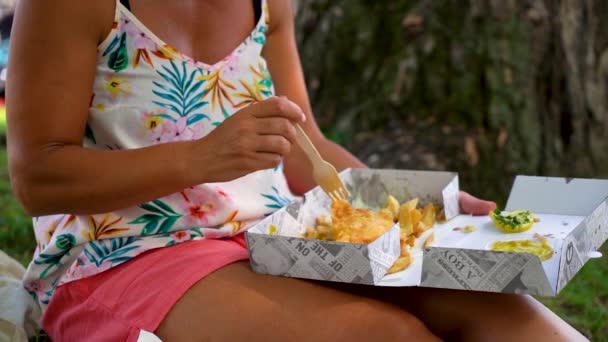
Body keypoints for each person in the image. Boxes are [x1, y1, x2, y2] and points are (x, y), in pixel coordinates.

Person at [5, 0, 587, 341]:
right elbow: (38, 179)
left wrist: (431, 210)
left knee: (507, 313)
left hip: (278, 240)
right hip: (124, 258)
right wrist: (201, 156)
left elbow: (307, 151)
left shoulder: (268, 4)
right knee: (383, 336)